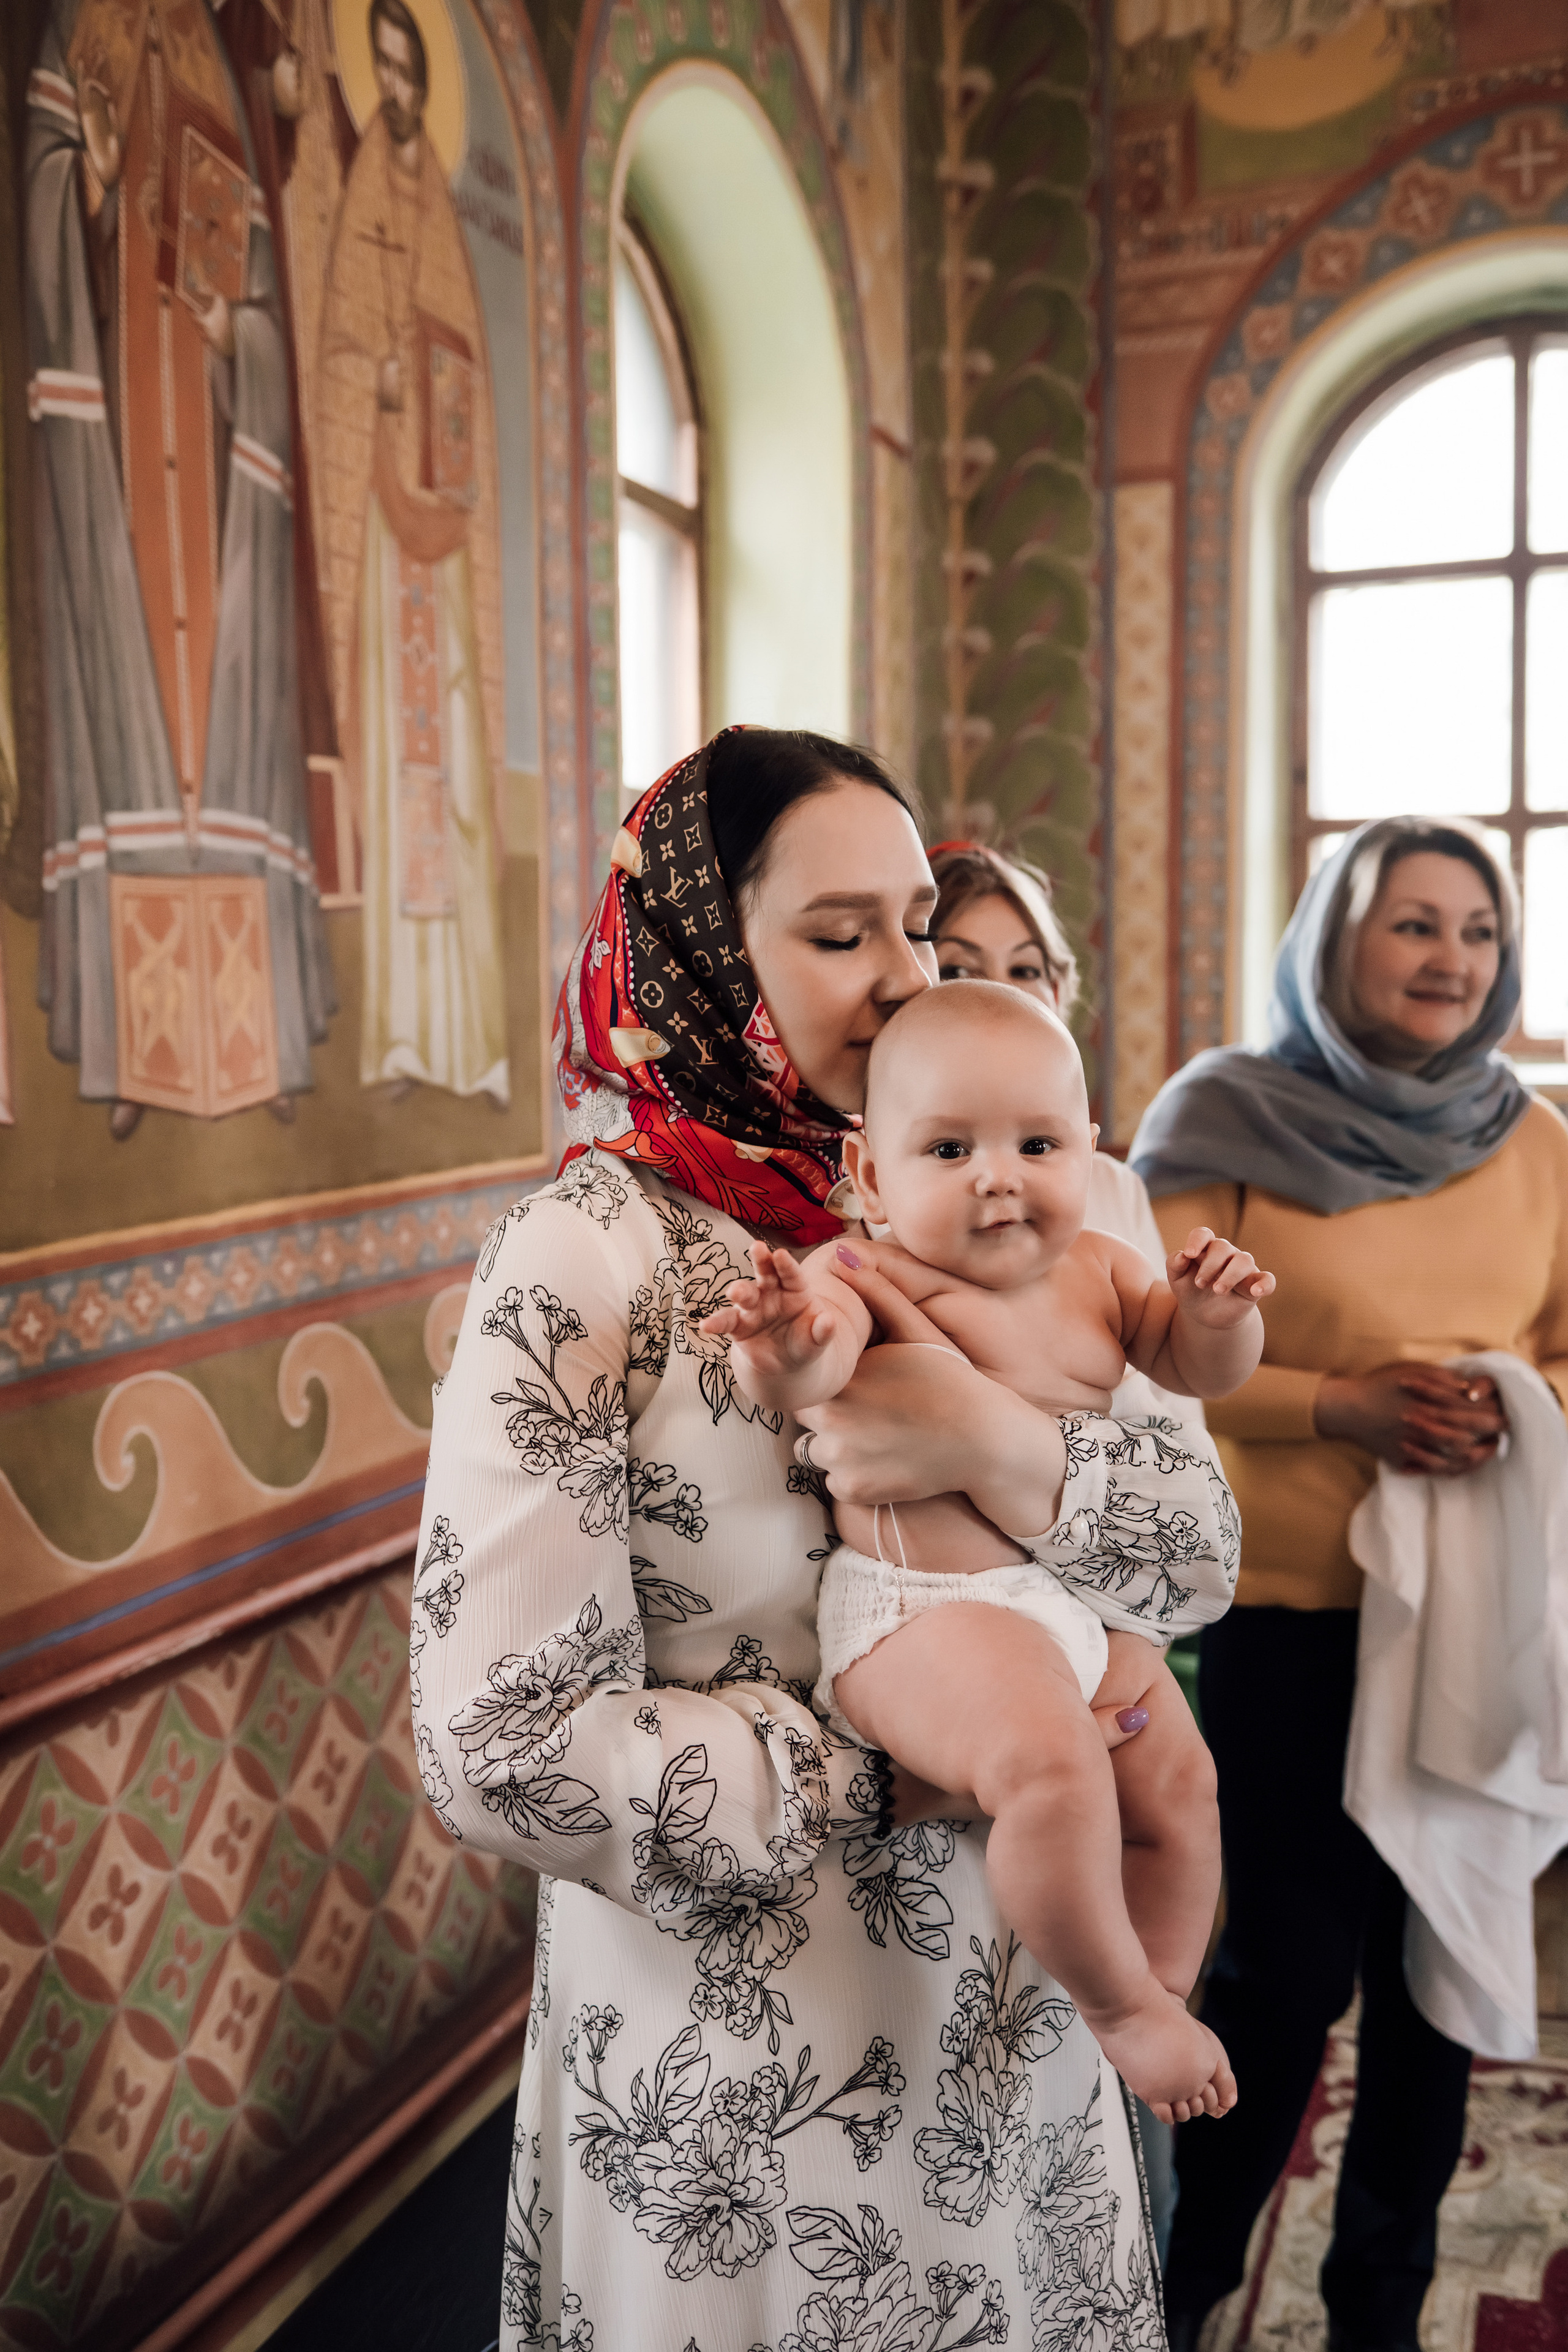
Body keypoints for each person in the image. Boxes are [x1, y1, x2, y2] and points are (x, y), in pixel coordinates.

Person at [412, 727, 1241, 2348]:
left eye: (917, 926)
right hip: (741, 2087)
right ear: (705, 955)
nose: (903, 978)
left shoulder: (1006, 1197)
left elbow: (1194, 1559)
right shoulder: (582, 1259)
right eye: (839, 933)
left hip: (1020, 2018)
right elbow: (503, 1751)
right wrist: (884, 1775)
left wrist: (995, 1444)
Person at [1130, 816, 1568, 2352]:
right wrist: (1341, 1406)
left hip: (1466, 1616)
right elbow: (1141, 1358)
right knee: (1285, 1972)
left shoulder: (1535, 1144)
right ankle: (1173, 2285)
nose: (1452, 958)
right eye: (1414, 924)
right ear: (1334, 937)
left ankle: (1377, 2305)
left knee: (1432, 1968)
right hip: (1283, 1612)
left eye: (1476, 930)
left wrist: (1507, 1406)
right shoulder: (1218, 1118)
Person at [701, 978, 1265, 2119]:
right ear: (871, 1176)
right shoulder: (869, 1272)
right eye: (950, 1149)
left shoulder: (1106, 1269)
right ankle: (1119, 2005)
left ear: (1089, 1147)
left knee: (1181, 1781)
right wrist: (782, 1343)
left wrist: (1218, 1318)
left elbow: (1197, 1370)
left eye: (1037, 1144)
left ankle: (1159, 1986)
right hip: (929, 1614)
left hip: (1074, 1609)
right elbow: (815, 1364)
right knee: (1052, 1769)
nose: (999, 1177)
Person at [930, 837, 1200, 2248]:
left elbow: (1176, 1488)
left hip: (1105, 1646)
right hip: (941, 1668)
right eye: (955, 967)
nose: (998, 996)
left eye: (1026, 970)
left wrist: (1129, 1637)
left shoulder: (1101, 1196)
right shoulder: (876, 1203)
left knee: (1108, 2153)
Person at [26, 0, 334, 1134]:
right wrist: (93, 182)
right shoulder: (79, 30)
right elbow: (42, 194)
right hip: (119, 457)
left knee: (232, 743)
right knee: (130, 736)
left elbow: (261, 305)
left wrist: (231, 334)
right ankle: (135, 1060)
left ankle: (258, 1051)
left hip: (211, 479)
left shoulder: (214, 67)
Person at [316, 0, 508, 1104]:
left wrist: (443, 409)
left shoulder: (436, 215)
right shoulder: (359, 206)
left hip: (442, 563)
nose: (392, 86)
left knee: (461, 792)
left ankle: (467, 1045)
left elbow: (466, 371)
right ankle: (400, 1039)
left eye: (406, 69)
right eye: (380, 67)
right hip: (390, 566)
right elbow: (339, 356)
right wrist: (376, 384)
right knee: (402, 790)